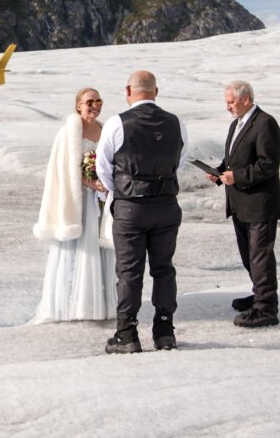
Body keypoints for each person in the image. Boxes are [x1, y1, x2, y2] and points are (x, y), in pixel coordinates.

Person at [95, 71, 188, 353]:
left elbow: (103, 166)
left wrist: (120, 193)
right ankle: (164, 332)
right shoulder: (176, 123)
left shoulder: (117, 123)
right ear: (156, 92)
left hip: (130, 207)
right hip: (166, 204)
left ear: (128, 91)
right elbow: (178, 164)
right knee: (164, 270)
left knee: (129, 272)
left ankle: (127, 335)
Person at [30, 88, 117, 323]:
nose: (95, 106)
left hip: (104, 199)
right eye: (89, 102)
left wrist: (108, 181)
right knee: (80, 248)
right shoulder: (68, 132)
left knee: (102, 248)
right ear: (78, 105)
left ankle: (101, 303)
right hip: (80, 199)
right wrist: (89, 182)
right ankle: (73, 305)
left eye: (98, 101)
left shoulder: (105, 128)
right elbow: (62, 167)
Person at [205, 80, 280, 328]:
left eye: (230, 102)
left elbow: (268, 164)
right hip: (241, 203)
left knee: (260, 256)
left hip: (260, 204)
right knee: (248, 255)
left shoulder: (265, 124)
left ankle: (266, 309)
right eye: (226, 103)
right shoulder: (237, 124)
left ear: (246, 100)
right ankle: (260, 295)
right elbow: (234, 160)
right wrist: (219, 173)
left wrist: (237, 177)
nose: (227, 107)